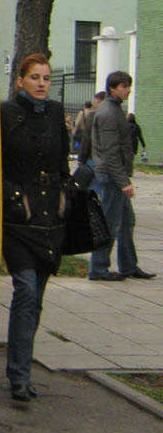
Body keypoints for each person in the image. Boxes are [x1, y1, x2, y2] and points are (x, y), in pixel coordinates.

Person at [1, 54, 71, 402]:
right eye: (34, 78)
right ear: (20, 82)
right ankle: (19, 376)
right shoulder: (6, 114)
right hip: (18, 217)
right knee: (26, 289)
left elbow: (63, 163)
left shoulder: (56, 113)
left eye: (46, 78)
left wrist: (66, 195)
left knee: (37, 297)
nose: (42, 83)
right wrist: (14, 197)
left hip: (49, 217)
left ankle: (21, 368)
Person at [88, 72, 157, 281]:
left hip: (115, 177)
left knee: (127, 221)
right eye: (124, 86)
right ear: (112, 88)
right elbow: (110, 153)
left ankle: (128, 265)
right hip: (111, 178)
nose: (128, 90)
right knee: (110, 222)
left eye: (128, 86)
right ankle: (98, 268)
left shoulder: (115, 109)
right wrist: (123, 182)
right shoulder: (109, 113)